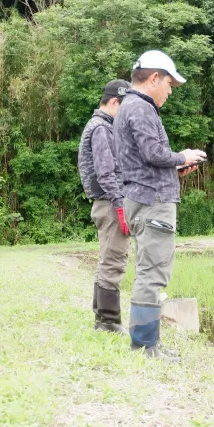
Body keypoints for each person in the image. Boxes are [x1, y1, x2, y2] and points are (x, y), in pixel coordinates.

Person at [114, 50, 206, 361]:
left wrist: (175, 168)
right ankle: (144, 346)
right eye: (168, 84)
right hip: (153, 201)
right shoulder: (141, 108)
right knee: (152, 273)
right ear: (154, 78)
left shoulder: (131, 106)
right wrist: (183, 157)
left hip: (144, 195)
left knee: (149, 271)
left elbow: (145, 160)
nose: (169, 91)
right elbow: (154, 153)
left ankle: (148, 342)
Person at [78, 79, 132, 334]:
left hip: (107, 202)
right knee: (114, 260)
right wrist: (120, 206)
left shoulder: (101, 125)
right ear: (113, 102)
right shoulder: (101, 128)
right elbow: (105, 172)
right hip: (110, 203)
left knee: (107, 259)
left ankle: (102, 319)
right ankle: (109, 322)